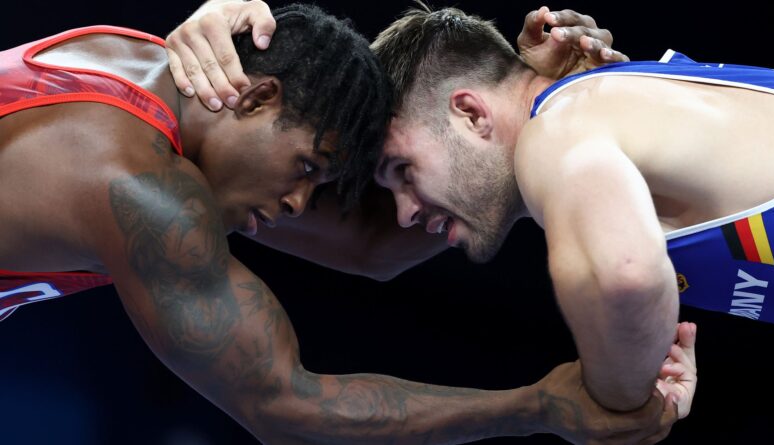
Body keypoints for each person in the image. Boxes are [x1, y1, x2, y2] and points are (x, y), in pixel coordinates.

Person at [0, 2, 687, 444]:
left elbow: (366, 246)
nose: (300, 204)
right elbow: (283, 405)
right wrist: (538, 404)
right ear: (258, 97)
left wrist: (516, 103)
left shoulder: (144, 65)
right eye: (306, 166)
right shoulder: (137, 182)